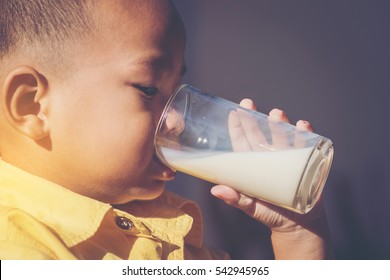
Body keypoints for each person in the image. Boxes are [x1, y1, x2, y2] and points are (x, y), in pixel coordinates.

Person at [0, 0, 332, 259]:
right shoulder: (18, 252)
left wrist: (298, 237)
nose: (178, 120)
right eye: (148, 88)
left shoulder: (169, 233)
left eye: (176, 90)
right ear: (32, 106)